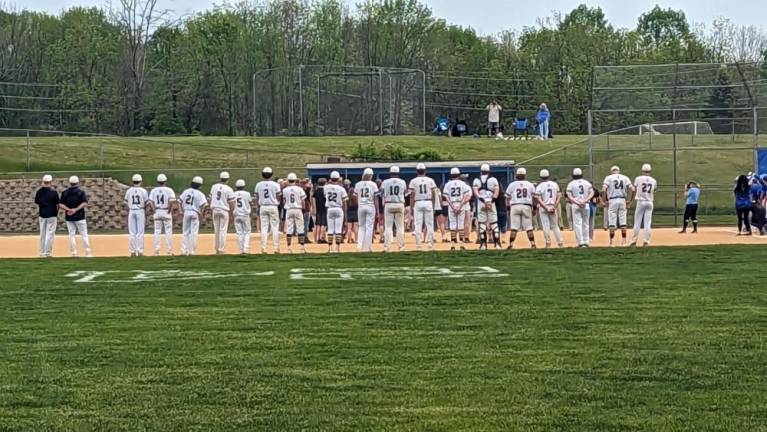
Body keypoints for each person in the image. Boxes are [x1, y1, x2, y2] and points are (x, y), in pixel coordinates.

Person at [408, 163, 438, 251]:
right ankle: (430, 245)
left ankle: (419, 245)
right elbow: (433, 194)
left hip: (418, 202)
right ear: (425, 170)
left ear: (417, 171)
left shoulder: (413, 181)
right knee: (430, 224)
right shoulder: (430, 180)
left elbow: (412, 196)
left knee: (418, 225)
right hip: (428, 201)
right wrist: (433, 205)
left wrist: (411, 207)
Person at [59, 176, 92, 257]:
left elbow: (60, 204)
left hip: (69, 217)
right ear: (77, 183)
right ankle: (87, 252)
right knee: (84, 234)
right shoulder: (81, 192)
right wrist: (75, 210)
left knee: (71, 235)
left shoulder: (64, 193)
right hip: (80, 216)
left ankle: (74, 252)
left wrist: (68, 210)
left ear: (70, 183)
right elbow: (85, 203)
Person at [603, 165, 635, 247]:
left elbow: (604, 189)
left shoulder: (608, 178)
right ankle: (624, 241)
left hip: (612, 200)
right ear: (619, 171)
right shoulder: (625, 177)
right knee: (623, 221)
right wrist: (630, 200)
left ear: (611, 171)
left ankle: (611, 242)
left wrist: (605, 200)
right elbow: (633, 189)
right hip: (622, 199)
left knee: (612, 221)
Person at [505, 168, 536, 250]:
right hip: (526, 205)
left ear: (517, 175)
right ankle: (533, 244)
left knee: (514, 227)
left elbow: (507, 198)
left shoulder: (512, 184)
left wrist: (508, 208)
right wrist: (535, 208)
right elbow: (534, 197)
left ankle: (511, 244)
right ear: (524, 175)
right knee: (529, 227)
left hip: (515, 206)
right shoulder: (529, 184)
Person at [472, 163, 502, 250]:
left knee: (482, 223)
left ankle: (483, 245)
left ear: (481, 171)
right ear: (489, 171)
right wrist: (491, 201)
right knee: (494, 223)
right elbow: (497, 192)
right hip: (491, 202)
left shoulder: (476, 180)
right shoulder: (493, 180)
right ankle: (497, 244)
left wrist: (482, 201)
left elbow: (476, 192)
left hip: (481, 203)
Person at [442, 168, 472, 251]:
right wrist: (460, 206)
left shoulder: (448, 184)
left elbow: (446, 197)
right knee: (461, 224)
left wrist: (452, 206)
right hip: (460, 204)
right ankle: (462, 245)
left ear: (451, 175)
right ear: (459, 175)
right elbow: (466, 196)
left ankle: (453, 245)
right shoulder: (463, 183)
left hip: (452, 204)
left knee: (452, 224)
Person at [256, 167, 282, 254]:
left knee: (264, 228)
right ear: (271, 174)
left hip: (263, 206)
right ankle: (276, 248)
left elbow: (257, 197)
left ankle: (263, 248)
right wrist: (277, 201)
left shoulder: (258, 184)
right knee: (275, 228)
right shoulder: (275, 184)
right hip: (273, 206)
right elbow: (279, 195)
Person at [381, 166, 408, 253]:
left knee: (388, 227)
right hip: (399, 204)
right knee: (400, 227)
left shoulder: (385, 182)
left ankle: (387, 247)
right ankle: (401, 247)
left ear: (390, 172)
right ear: (398, 173)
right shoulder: (402, 182)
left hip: (389, 203)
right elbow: (405, 193)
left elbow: (382, 194)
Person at [535, 169, 564, 248]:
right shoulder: (555, 184)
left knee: (545, 225)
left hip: (543, 207)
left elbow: (538, 198)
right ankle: (560, 243)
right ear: (548, 176)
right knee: (555, 226)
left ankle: (548, 243)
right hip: (553, 205)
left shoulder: (540, 186)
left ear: (541, 177)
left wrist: (546, 207)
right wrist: (554, 207)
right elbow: (559, 196)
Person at [179, 176, 207, 256]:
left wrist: (181, 210)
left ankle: (183, 251)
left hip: (186, 212)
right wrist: (202, 213)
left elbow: (179, 201)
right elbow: (205, 205)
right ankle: (192, 251)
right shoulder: (200, 194)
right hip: (195, 213)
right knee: (193, 233)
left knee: (185, 233)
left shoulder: (186, 191)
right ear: (200, 185)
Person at [124, 174, 151, 257]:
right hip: (140, 210)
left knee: (132, 232)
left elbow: (125, 202)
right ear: (140, 181)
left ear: (133, 181)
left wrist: (130, 206)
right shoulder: (143, 191)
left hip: (132, 211)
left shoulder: (129, 191)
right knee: (140, 232)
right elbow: (147, 203)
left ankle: (132, 251)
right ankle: (140, 251)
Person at [630, 164, 657, 247]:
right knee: (647, 223)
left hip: (641, 201)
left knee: (637, 222)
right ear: (650, 171)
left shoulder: (638, 178)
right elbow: (654, 191)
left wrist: (631, 199)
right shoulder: (653, 180)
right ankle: (646, 241)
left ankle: (634, 241)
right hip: (649, 201)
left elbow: (634, 190)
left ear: (642, 170)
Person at [149, 174, 176, 256]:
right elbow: (172, 201)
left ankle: (156, 251)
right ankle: (169, 251)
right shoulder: (169, 190)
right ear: (165, 181)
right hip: (165, 211)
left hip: (157, 211)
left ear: (158, 181)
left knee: (157, 232)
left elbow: (150, 202)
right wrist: (169, 209)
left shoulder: (154, 190)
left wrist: (154, 210)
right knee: (168, 232)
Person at [566, 168, 594, 247]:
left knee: (577, 223)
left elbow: (569, 196)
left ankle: (580, 242)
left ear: (573, 175)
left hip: (575, 205)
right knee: (586, 223)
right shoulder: (587, 183)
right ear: (581, 174)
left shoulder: (571, 183)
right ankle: (586, 241)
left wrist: (577, 202)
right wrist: (585, 201)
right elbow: (592, 193)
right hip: (586, 204)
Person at [209, 171, 235, 254]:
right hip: (224, 210)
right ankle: (221, 249)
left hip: (215, 209)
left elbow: (210, 198)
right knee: (223, 230)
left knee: (216, 230)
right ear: (227, 179)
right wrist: (231, 214)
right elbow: (231, 203)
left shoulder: (214, 187)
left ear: (220, 178)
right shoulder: (229, 189)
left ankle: (216, 248)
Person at [353, 169, 378, 252]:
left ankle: (359, 246)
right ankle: (367, 247)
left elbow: (355, 197)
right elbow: (375, 198)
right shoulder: (373, 184)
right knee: (369, 227)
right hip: (370, 206)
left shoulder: (358, 184)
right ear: (371, 175)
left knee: (361, 227)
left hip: (361, 206)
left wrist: (359, 205)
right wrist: (377, 210)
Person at [35, 174, 59, 257]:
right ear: (51, 182)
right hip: (52, 214)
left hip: (42, 214)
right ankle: (47, 252)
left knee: (42, 234)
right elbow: (57, 204)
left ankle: (41, 252)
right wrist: (56, 212)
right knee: (50, 234)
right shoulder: (53, 192)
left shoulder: (39, 191)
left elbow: (37, 202)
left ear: (43, 181)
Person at [282, 173, 307, 253]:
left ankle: (289, 248)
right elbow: (303, 200)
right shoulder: (299, 189)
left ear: (288, 180)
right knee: (300, 227)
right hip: (297, 209)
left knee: (289, 228)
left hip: (289, 209)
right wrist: (303, 209)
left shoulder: (285, 190)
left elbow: (284, 201)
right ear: (295, 180)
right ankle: (302, 247)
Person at [324, 171, 348, 253]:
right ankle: (337, 248)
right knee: (338, 229)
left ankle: (330, 248)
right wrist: (345, 213)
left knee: (330, 229)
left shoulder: (326, 187)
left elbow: (325, 195)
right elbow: (344, 202)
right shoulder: (341, 188)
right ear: (338, 179)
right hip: (338, 208)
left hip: (330, 208)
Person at [232, 179, 253, 254]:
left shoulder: (233, 194)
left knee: (239, 232)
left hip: (236, 214)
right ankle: (245, 248)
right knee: (247, 231)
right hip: (245, 214)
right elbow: (251, 203)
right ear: (244, 186)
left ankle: (241, 249)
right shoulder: (247, 194)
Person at [314, 178, 328, 244]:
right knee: (323, 224)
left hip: (318, 208)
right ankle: (322, 237)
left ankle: (317, 238)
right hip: (324, 208)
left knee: (318, 224)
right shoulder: (325, 190)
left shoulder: (316, 191)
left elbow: (313, 199)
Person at [345, 179, 358, 244]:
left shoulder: (347, 199)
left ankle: (349, 240)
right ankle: (356, 240)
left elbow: (346, 208)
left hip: (349, 213)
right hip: (355, 213)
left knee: (349, 228)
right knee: (356, 228)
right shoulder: (356, 198)